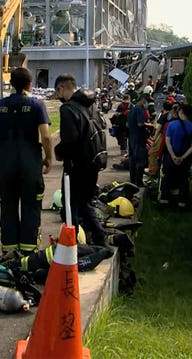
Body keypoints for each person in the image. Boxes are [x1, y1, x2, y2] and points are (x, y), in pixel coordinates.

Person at [0, 67, 52, 255]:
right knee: (31, 208)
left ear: (11, 83)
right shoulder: (37, 105)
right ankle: (29, 254)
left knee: (8, 208)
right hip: (30, 162)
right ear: (29, 84)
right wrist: (48, 159)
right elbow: (46, 137)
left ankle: (9, 253)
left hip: (6, 161)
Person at [53, 73, 108, 248]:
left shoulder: (68, 109)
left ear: (61, 88)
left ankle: (72, 245)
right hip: (94, 162)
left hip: (76, 166)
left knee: (70, 207)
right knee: (84, 204)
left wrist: (58, 150)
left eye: (57, 91)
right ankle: (100, 238)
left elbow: (70, 140)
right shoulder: (91, 105)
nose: (57, 96)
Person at [159, 103, 192, 208]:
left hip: (171, 156)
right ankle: (182, 202)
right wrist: (183, 157)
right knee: (184, 180)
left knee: (167, 177)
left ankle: (164, 200)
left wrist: (172, 155)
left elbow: (167, 141)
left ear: (181, 112)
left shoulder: (172, 125)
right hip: (185, 158)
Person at [127, 93, 151, 187]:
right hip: (139, 137)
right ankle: (139, 182)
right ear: (143, 99)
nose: (147, 103)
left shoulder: (132, 108)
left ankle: (132, 181)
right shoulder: (139, 110)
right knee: (140, 160)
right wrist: (149, 125)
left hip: (132, 136)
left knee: (132, 159)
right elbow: (140, 124)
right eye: (147, 101)